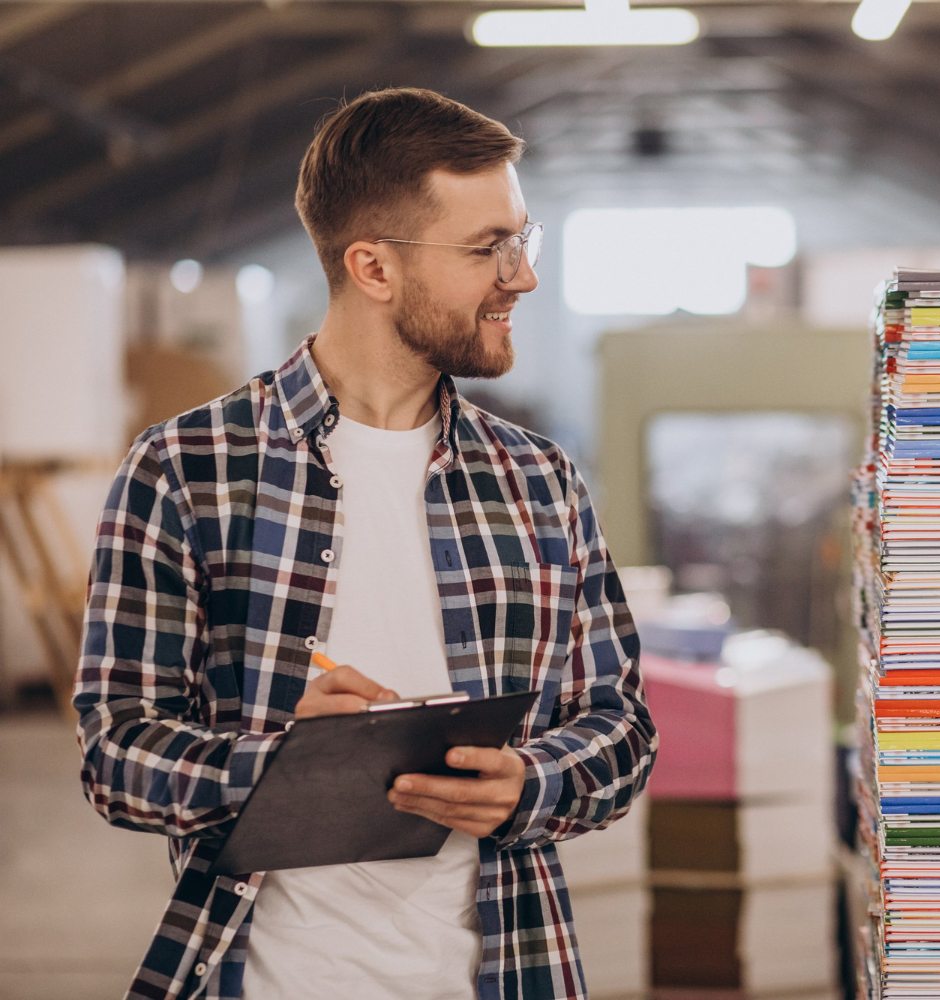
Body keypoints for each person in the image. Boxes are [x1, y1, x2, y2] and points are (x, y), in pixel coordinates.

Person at [73, 87, 656, 1000]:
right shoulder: (185, 471)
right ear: (373, 268)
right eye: (487, 250)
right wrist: (279, 762)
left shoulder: (539, 481)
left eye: (522, 239)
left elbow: (622, 729)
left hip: (505, 973)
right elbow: (115, 756)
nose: (523, 276)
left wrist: (529, 784)